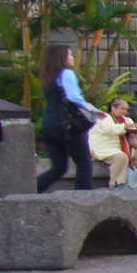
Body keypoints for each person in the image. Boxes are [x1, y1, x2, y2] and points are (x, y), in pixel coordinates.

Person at [35, 45, 104, 193]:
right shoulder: (66, 73)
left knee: (59, 167)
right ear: (61, 58)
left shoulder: (47, 76)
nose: (72, 58)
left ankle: (33, 190)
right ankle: (82, 199)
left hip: (48, 123)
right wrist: (92, 109)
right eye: (69, 55)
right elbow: (73, 96)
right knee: (84, 164)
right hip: (66, 124)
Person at [89, 99, 137, 187]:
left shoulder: (127, 120)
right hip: (103, 148)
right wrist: (128, 126)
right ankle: (115, 183)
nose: (124, 111)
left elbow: (132, 134)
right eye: (122, 109)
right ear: (112, 108)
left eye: (126, 109)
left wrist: (136, 132)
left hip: (124, 148)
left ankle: (135, 180)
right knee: (122, 157)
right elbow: (109, 129)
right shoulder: (103, 118)